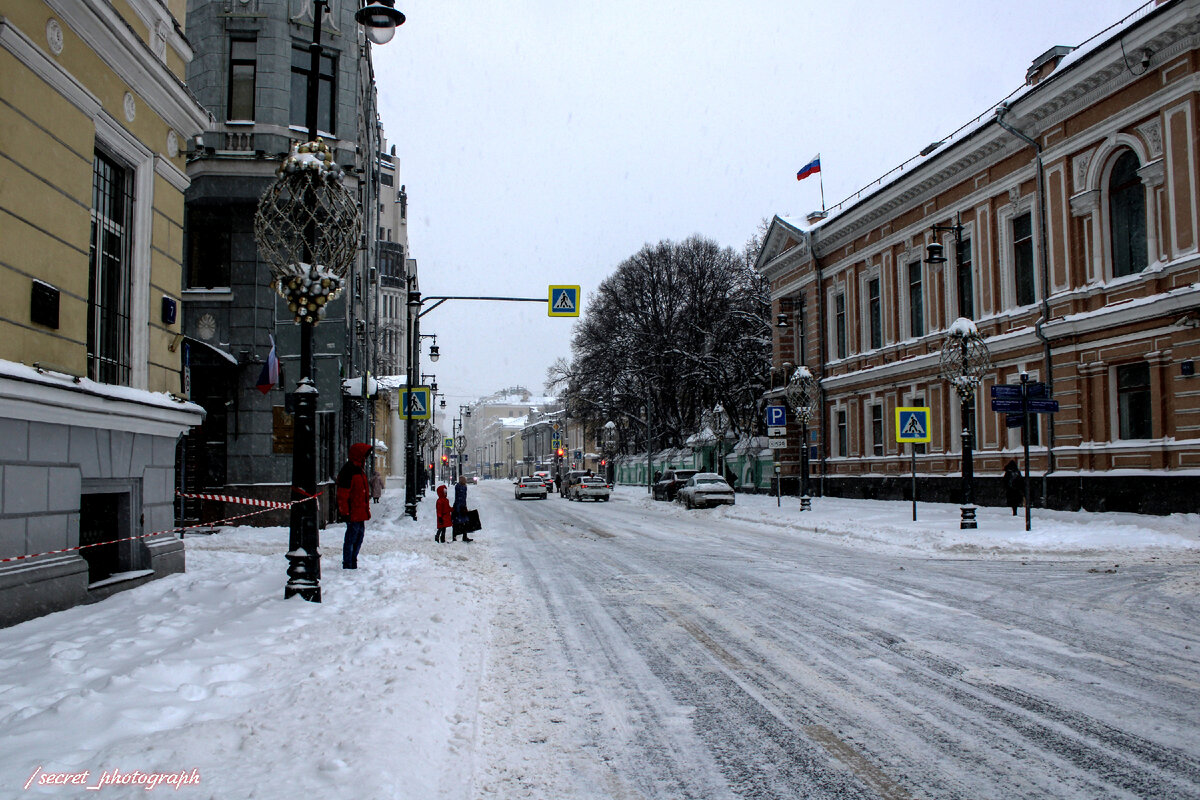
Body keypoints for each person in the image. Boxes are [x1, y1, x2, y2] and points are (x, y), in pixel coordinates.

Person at [337, 443, 372, 569]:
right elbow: (343, 494)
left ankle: (352, 560)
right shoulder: (349, 471)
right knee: (352, 538)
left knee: (358, 537)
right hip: (353, 512)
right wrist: (345, 511)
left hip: (359, 511)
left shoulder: (358, 470)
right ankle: (348, 563)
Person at [451, 474, 473, 542]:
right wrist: (460, 508)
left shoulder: (460, 487)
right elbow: (460, 499)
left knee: (461, 523)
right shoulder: (461, 488)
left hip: (460, 507)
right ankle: (462, 536)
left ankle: (458, 537)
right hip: (460, 507)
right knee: (463, 522)